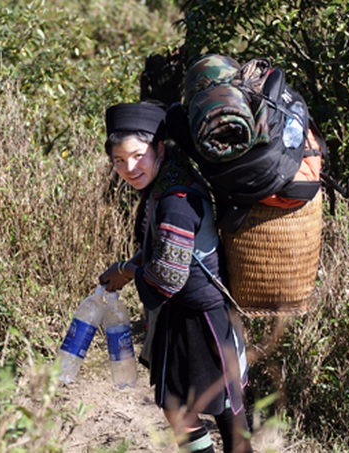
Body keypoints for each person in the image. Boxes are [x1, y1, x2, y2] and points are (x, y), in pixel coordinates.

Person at [99, 102, 252, 453]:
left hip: (197, 318)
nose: (129, 168)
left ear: (159, 148)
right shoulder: (172, 177)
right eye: (119, 160)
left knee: (187, 407)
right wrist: (131, 265)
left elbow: (167, 277)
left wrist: (126, 271)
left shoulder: (175, 201)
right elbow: (165, 250)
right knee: (226, 405)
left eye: (137, 155)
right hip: (198, 312)